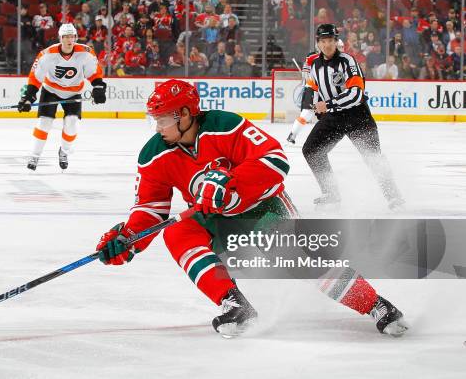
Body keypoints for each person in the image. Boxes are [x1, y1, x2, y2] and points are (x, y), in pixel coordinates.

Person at [94, 79, 409, 338]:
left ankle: (377, 305)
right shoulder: (153, 155)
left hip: (262, 208)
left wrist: (230, 184)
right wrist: (129, 238)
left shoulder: (225, 125)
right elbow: (150, 208)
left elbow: (275, 159)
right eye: (155, 119)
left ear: (186, 114)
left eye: (163, 118)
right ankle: (234, 304)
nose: (157, 126)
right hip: (212, 218)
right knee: (177, 232)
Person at [302, 24, 404, 211]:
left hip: (358, 116)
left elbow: (356, 94)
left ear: (336, 41)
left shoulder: (348, 62)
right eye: (323, 41)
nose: (327, 45)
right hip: (334, 117)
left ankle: (394, 197)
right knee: (311, 150)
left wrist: (328, 104)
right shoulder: (314, 65)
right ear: (318, 43)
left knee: (373, 158)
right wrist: (317, 107)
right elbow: (316, 89)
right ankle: (331, 194)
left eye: (330, 41)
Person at [19, 23, 106, 171]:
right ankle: (34, 155)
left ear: (76, 38)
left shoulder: (86, 53)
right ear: (60, 38)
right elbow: (35, 78)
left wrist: (98, 88)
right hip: (51, 90)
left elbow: (94, 74)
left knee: (72, 123)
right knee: (44, 122)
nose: (68, 40)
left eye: (71, 36)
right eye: (65, 36)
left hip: (73, 93)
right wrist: (27, 97)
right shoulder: (47, 54)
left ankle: (64, 152)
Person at [287, 39, 343, 145]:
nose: (339, 50)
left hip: (326, 92)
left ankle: (325, 140)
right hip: (314, 91)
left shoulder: (341, 61)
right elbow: (306, 70)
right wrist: (308, 76)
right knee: (306, 114)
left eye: (340, 47)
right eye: (338, 47)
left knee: (330, 117)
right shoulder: (313, 57)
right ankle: (292, 135)